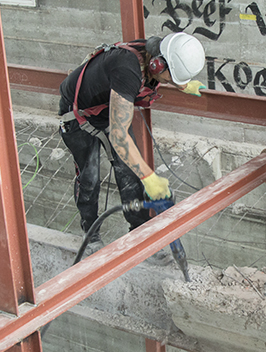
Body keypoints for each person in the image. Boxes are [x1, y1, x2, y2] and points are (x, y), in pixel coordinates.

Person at [58, 32, 206, 255]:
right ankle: (90, 234)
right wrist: (151, 177)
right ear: (157, 65)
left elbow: (166, 71)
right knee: (90, 178)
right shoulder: (127, 68)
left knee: (131, 174)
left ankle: (139, 238)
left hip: (111, 108)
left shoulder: (156, 55)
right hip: (78, 116)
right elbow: (119, 136)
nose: (169, 83)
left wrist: (183, 84)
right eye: (170, 79)